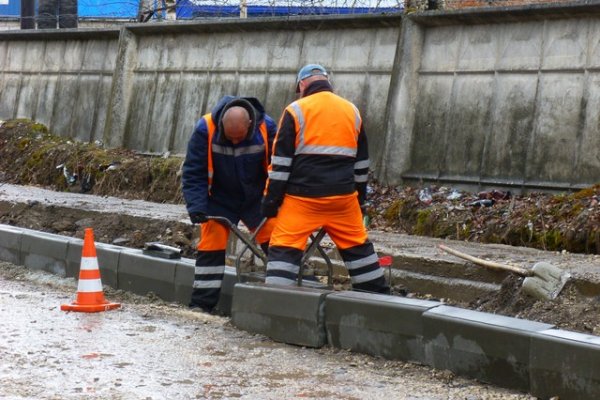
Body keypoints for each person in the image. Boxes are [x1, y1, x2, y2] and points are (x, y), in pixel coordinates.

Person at [261, 64, 390, 294]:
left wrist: (271, 201)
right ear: (327, 82)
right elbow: (361, 165)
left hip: (303, 199)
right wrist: (359, 200)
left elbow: (280, 166)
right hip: (342, 199)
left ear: (302, 85)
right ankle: (377, 298)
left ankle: (276, 300)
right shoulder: (352, 111)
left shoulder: (295, 110)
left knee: (284, 247)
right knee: (359, 248)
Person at [182, 96, 277, 312]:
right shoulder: (205, 128)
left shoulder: (268, 128)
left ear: (250, 125)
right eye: (230, 138)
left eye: (240, 138)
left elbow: (279, 167)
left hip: (257, 197)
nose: (234, 142)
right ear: (222, 124)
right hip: (221, 198)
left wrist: (273, 200)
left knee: (279, 242)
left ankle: (295, 294)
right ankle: (201, 306)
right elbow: (193, 171)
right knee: (211, 243)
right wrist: (196, 206)